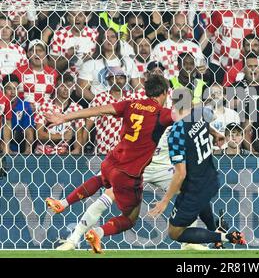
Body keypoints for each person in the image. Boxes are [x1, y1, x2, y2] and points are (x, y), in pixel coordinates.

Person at [45, 75, 174, 253]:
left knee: (100, 179)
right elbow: (191, 117)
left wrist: (65, 118)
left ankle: (64, 203)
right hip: (131, 173)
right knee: (130, 219)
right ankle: (95, 233)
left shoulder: (130, 104)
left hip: (113, 161)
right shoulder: (163, 113)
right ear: (166, 93)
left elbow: (97, 110)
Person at [149, 88, 246, 247]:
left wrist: (164, 201)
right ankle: (217, 233)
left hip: (194, 187)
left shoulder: (176, 133)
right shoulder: (200, 113)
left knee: (174, 232)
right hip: (211, 178)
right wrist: (215, 134)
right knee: (201, 201)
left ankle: (226, 237)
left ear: (173, 104)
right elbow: (207, 118)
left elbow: (180, 174)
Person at [34, 73, 84, 155]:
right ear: (56, 87)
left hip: (64, 155)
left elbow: (79, 135)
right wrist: (62, 137)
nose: (66, 89)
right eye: (62, 86)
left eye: (69, 86)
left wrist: (77, 149)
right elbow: (39, 135)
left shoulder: (77, 108)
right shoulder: (45, 106)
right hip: (42, 154)